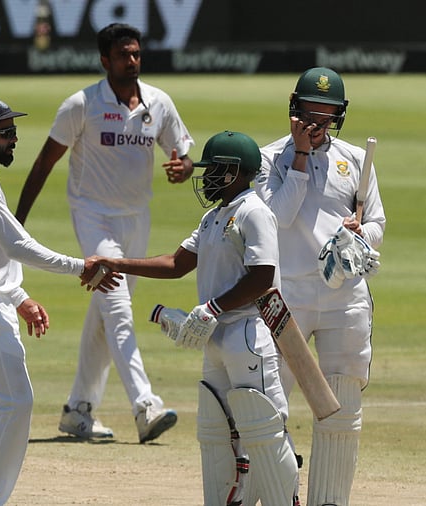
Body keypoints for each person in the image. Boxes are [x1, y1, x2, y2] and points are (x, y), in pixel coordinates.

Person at [91, 131, 300, 505]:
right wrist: (117, 262)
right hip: (216, 337)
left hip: (249, 334)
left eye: (215, 169)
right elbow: (175, 264)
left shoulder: (255, 211)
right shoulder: (212, 217)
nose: (207, 177)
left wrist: (214, 307)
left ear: (236, 171)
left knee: (262, 429)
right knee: (217, 432)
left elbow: (263, 276)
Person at [14, 22, 194, 443]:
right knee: (117, 309)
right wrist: (16, 224)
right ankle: (145, 405)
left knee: (104, 314)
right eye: (122, 55)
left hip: (137, 218)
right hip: (93, 216)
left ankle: (79, 410)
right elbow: (44, 164)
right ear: (104, 60)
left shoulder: (159, 103)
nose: (131, 61)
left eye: (135, 53)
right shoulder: (81, 104)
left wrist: (181, 169)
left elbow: (183, 156)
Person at [0, 97, 117, 506]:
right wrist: (81, 266)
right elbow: (19, 245)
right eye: (6, 133)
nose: (14, 139)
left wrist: (18, 296)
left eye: (13, 131)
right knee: (15, 402)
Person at [254, 67, 386, 506]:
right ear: (294, 108)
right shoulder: (267, 158)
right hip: (285, 295)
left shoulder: (355, 159)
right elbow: (278, 218)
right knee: (268, 403)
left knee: (342, 404)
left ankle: (329, 501)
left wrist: (360, 235)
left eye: (327, 114)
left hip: (344, 297)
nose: (317, 122)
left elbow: (378, 222)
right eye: (310, 112)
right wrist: (298, 156)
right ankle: (278, 496)